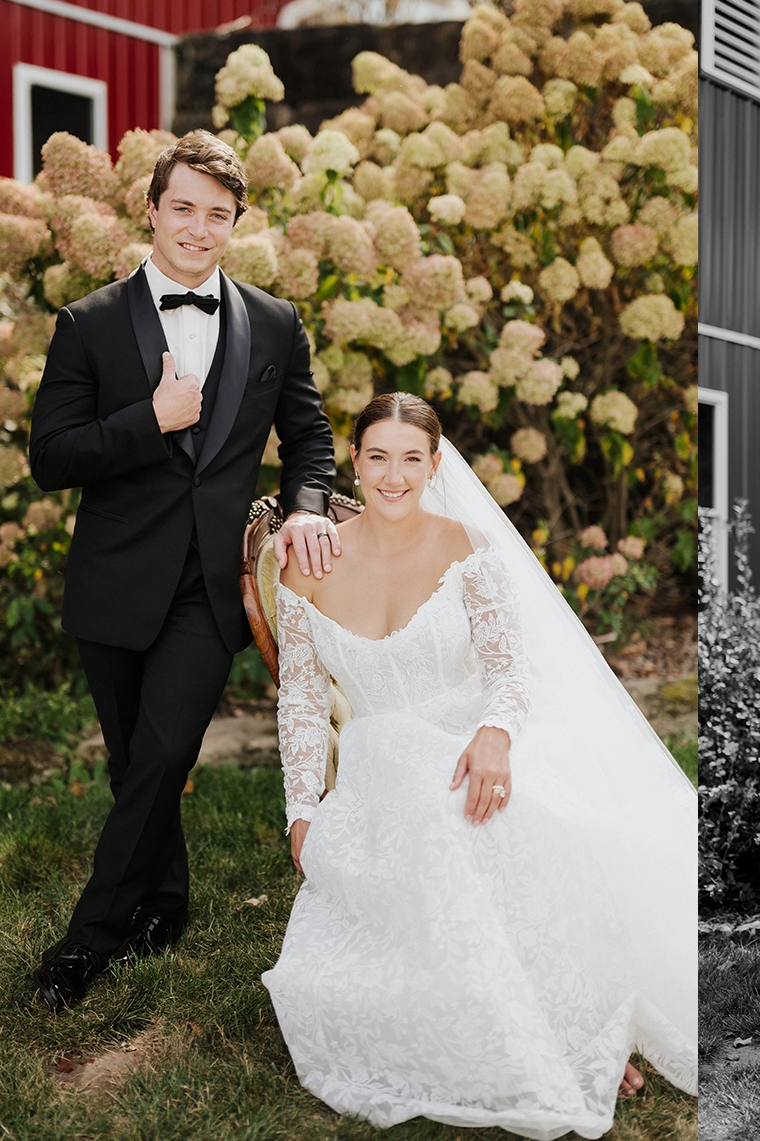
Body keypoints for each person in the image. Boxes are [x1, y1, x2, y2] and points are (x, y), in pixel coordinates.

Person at [264, 393, 696, 1135]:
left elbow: (509, 671)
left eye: (410, 459)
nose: (393, 475)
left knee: (505, 816)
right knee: (438, 820)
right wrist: (302, 809)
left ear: (434, 467)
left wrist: (496, 732)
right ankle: (552, 1035)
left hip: (471, 736)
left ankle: (572, 1022)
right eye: (377, 457)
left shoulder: (467, 547)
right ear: (354, 464)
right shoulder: (309, 567)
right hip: (380, 763)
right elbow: (302, 703)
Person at [25, 131, 342, 1011]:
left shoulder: (275, 322)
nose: (199, 229)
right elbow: (50, 457)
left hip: (211, 590)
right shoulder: (87, 323)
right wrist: (148, 419)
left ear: (234, 223)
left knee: (166, 748)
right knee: (139, 766)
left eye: (218, 215)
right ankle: (166, 904)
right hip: (114, 582)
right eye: (184, 209)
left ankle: (87, 940)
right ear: (152, 209)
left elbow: (308, 438)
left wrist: (308, 508)